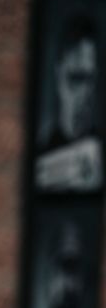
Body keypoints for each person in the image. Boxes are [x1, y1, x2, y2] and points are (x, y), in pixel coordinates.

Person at [36, 11, 102, 191]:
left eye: (91, 80)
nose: (86, 95)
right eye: (76, 79)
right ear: (58, 77)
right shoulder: (40, 159)